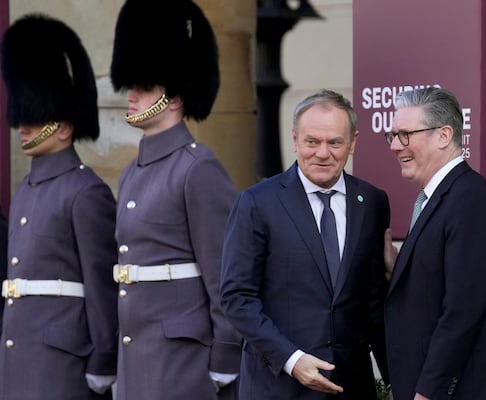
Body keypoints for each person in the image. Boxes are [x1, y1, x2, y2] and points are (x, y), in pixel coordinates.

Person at [220, 89, 390, 400]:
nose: (322, 153)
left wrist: (397, 379)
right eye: (312, 142)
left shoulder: (372, 203)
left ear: (353, 142)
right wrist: (292, 360)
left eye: (334, 142)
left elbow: (374, 302)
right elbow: (237, 297)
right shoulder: (257, 203)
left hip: (351, 388)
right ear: (295, 139)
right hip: (278, 387)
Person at [109, 0, 241, 399]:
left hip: (183, 360)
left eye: (144, 87)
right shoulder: (133, 172)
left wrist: (225, 359)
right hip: (138, 358)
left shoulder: (198, 168)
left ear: (175, 96)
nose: (131, 95)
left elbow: (225, 277)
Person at [384, 87, 486, 400]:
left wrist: (428, 391)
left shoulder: (472, 201)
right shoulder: (440, 199)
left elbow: (463, 311)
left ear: (443, 136)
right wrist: (396, 267)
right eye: (393, 135)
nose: (396, 145)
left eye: (405, 134)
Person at [0, 14, 119, 399]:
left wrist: (104, 358)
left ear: (64, 128)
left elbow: (101, 284)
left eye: (35, 119)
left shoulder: (86, 192)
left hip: (63, 359)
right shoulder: (27, 189)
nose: (24, 127)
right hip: (22, 351)